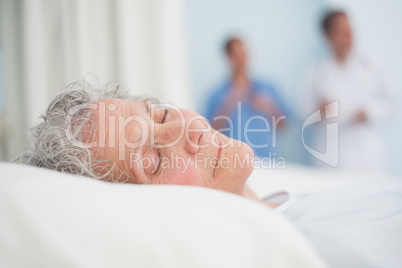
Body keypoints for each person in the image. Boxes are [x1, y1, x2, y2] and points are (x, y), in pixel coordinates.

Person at [18, 82, 402, 268]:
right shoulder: (318, 252)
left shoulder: (295, 203)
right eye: (152, 160)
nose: (189, 132)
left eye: (162, 116)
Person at [301, 10, 393, 172]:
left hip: (365, 149)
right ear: (328, 36)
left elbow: (390, 102)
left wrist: (369, 112)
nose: (349, 35)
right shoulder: (316, 70)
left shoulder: (371, 64)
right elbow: (302, 109)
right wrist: (318, 111)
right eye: (343, 31)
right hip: (330, 152)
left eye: (350, 30)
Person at [204, 37, 288, 158]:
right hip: (232, 161)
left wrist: (269, 107)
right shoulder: (217, 94)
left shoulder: (267, 88)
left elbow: (283, 126)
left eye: (244, 54)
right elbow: (209, 134)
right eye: (236, 55)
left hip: (267, 160)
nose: (241, 60)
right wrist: (228, 105)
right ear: (228, 58)